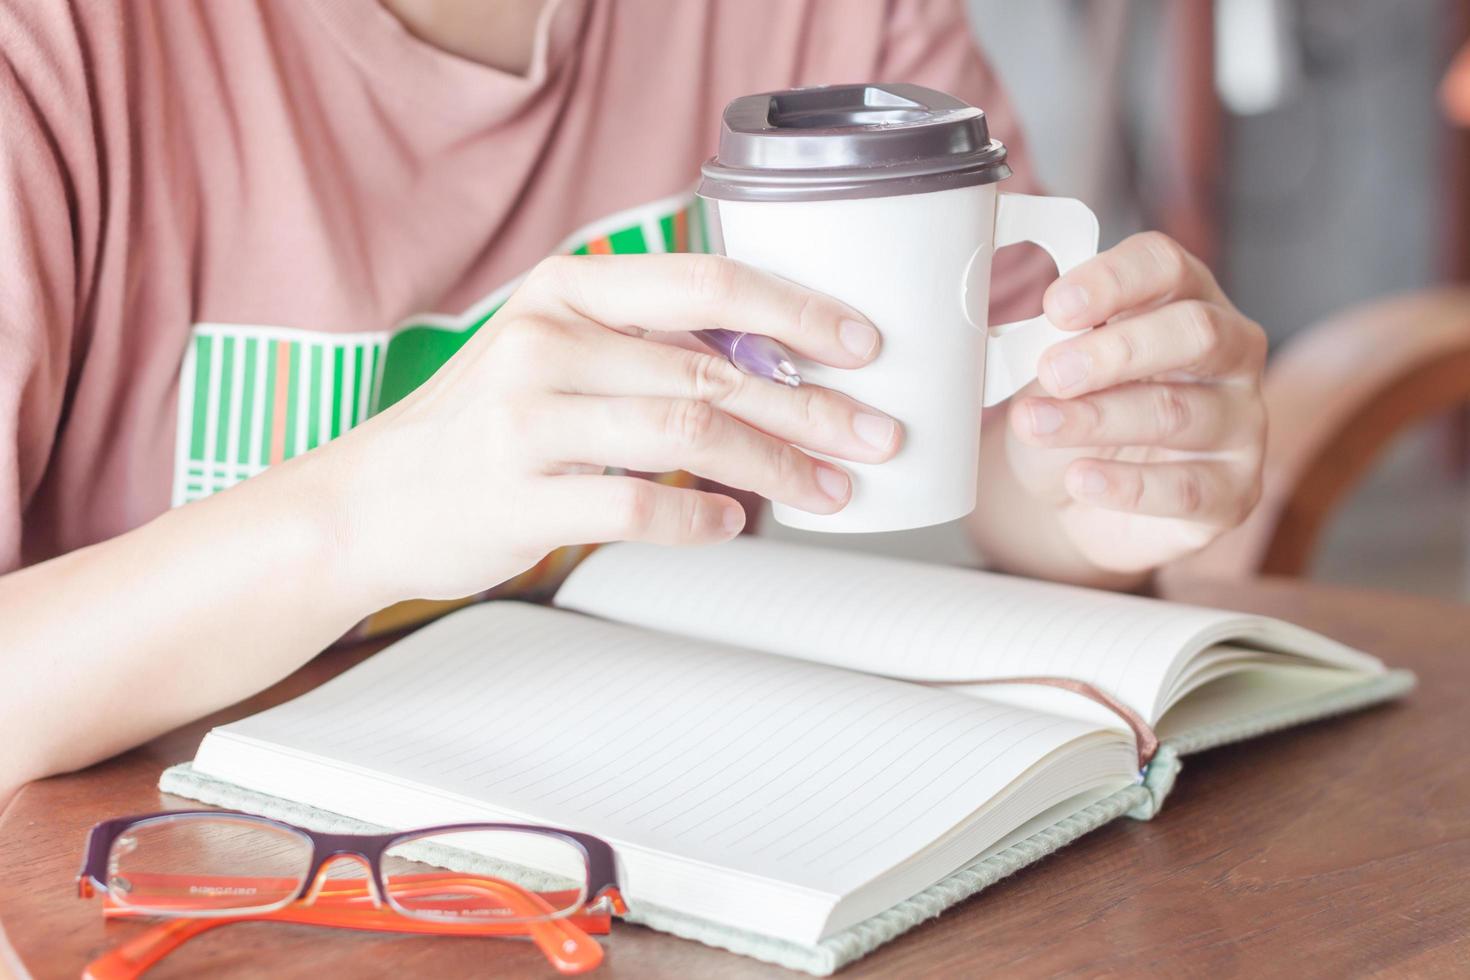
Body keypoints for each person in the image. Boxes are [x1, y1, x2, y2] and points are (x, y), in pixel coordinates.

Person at [0, 0, 1266, 804]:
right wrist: (364, 509)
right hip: (183, 884)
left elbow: (979, 447)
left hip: (687, 837)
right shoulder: (57, 51)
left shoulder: (838, 30)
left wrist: (1094, 466)